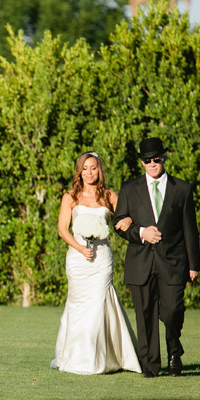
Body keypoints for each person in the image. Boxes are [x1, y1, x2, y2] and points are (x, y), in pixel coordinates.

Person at [113, 137, 200, 378]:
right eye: (147, 160)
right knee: (145, 315)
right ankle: (150, 365)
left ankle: (174, 349)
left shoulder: (182, 189)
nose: (152, 163)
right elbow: (118, 224)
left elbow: (190, 229)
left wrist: (194, 264)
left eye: (157, 159)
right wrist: (141, 232)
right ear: (141, 162)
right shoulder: (129, 188)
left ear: (164, 158)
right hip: (140, 262)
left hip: (174, 262)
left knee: (172, 311)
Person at [51, 151, 141, 375]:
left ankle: (101, 358)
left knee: (99, 304)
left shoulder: (109, 196)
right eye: (85, 168)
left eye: (93, 168)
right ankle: (76, 356)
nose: (89, 172)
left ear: (99, 170)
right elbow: (63, 230)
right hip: (78, 257)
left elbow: (126, 218)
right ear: (79, 171)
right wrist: (80, 248)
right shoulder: (70, 196)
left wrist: (128, 220)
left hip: (101, 258)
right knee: (78, 305)